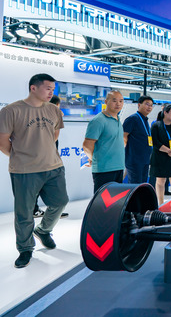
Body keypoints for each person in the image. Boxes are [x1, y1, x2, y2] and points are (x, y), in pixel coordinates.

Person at [0, 74, 69, 268]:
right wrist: (19, 157)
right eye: (48, 88)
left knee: (60, 202)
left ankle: (44, 230)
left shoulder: (53, 111)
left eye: (53, 89)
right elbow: (3, 141)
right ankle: (25, 249)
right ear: (33, 88)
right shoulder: (11, 110)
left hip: (53, 167)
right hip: (24, 171)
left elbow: (55, 135)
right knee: (24, 213)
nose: (51, 92)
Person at [34, 95, 69, 219]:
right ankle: (52, 211)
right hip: (46, 156)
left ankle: (40, 210)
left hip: (44, 154)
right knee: (47, 183)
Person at [83, 90, 125, 193]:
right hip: (104, 169)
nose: (118, 104)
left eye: (121, 101)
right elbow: (87, 144)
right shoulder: (98, 121)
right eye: (114, 100)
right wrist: (93, 158)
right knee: (101, 203)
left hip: (118, 167)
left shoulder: (118, 119)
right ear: (106, 102)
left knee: (115, 201)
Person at [150, 104, 171, 205]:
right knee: (160, 180)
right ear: (165, 113)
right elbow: (155, 142)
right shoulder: (156, 125)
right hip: (160, 156)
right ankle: (160, 204)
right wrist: (169, 151)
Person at [123, 95, 154, 184]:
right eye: (147, 104)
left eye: (151, 105)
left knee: (142, 185)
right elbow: (124, 136)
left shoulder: (145, 120)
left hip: (145, 159)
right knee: (135, 186)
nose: (149, 107)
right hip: (134, 160)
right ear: (139, 105)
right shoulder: (132, 119)